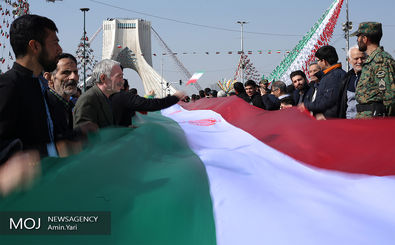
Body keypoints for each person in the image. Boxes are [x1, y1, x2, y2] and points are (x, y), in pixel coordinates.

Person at [0, 14, 61, 195]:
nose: (60, 49)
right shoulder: (7, 86)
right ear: (35, 46)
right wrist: (52, 150)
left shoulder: (40, 87)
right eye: (54, 43)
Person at [351, 22, 395, 118]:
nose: (357, 40)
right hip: (366, 120)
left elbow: (390, 97)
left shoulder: (381, 61)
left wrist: (385, 122)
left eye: (358, 37)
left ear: (365, 39)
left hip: (375, 122)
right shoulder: (371, 60)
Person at [73, 59, 124, 128]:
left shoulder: (106, 97)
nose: (122, 81)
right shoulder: (89, 99)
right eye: (119, 77)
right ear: (103, 78)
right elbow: (85, 135)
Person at [303, 45, 346, 118]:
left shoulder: (334, 76)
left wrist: (306, 106)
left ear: (323, 61)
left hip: (330, 120)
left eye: (318, 60)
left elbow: (329, 101)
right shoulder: (328, 75)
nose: (318, 63)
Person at [338, 46, 366, 118]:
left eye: (362, 58)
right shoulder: (346, 78)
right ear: (349, 60)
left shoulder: (371, 76)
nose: (359, 61)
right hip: (349, 122)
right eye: (356, 59)